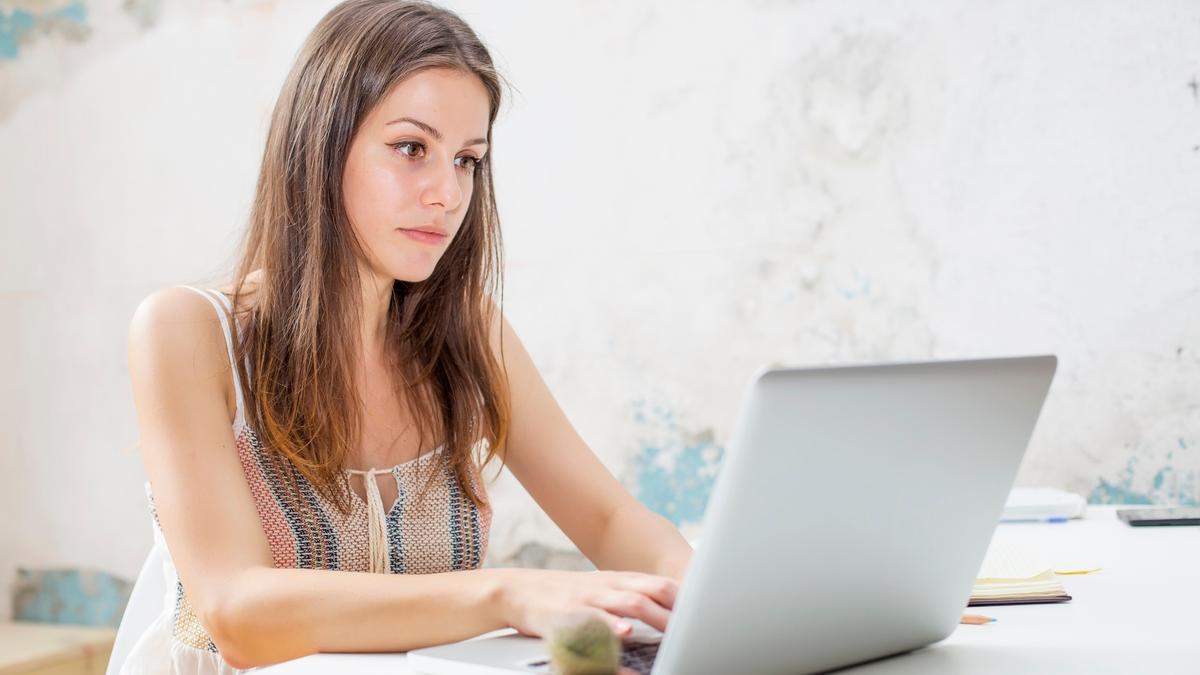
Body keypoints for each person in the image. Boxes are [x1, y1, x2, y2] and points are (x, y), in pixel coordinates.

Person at [122, 1, 693, 672]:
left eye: (467, 160)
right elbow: (238, 613)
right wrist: (505, 594)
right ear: (320, 145)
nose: (448, 194)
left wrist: (706, 595)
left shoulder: (469, 331)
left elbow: (609, 520)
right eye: (412, 148)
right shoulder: (187, 331)